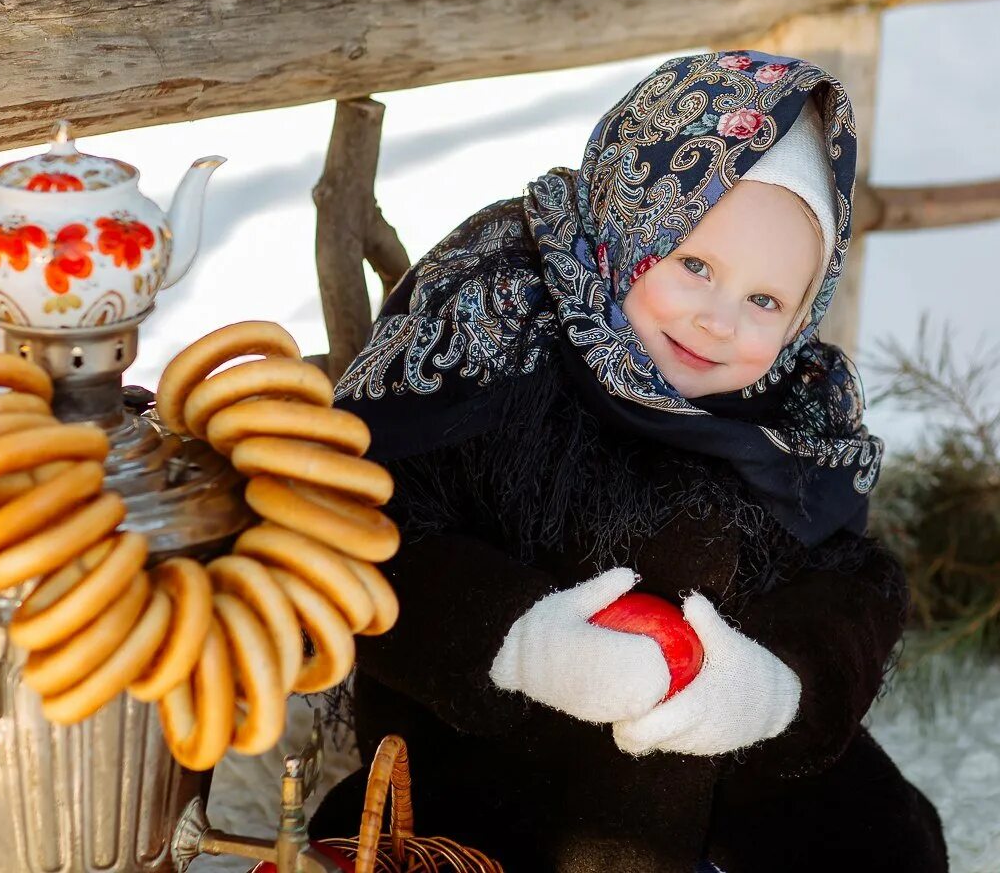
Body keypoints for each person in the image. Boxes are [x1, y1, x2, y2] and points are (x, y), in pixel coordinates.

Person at [309, 51, 950, 872]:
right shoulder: (499, 328)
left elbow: (851, 595)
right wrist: (521, 638)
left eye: (765, 302)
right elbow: (373, 529)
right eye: (694, 265)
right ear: (631, 218)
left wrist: (767, 689)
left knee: (884, 840)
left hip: (714, 755)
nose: (720, 320)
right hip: (506, 753)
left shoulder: (796, 413)